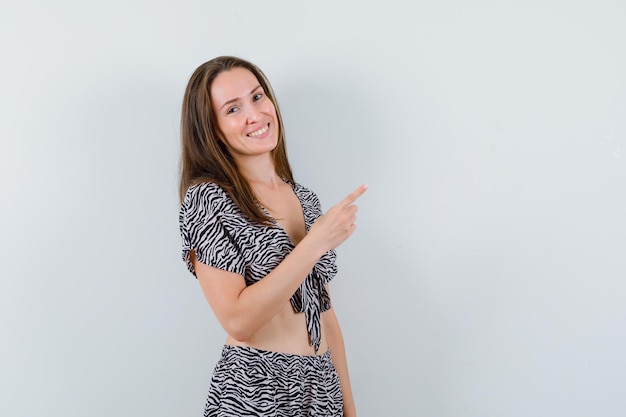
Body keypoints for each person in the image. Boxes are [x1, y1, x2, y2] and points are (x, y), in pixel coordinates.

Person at [178, 55, 367, 417]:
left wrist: (349, 408)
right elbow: (238, 321)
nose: (254, 115)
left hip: (322, 385)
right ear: (212, 128)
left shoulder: (305, 199)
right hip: (256, 386)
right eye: (232, 109)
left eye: (257, 97)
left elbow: (326, 316)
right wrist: (315, 244)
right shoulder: (208, 199)